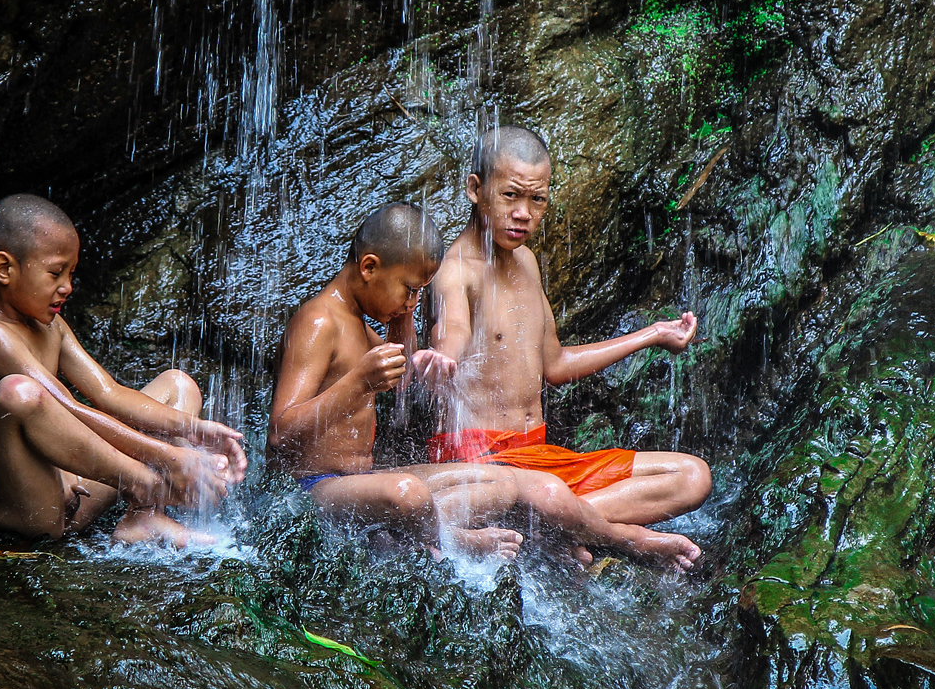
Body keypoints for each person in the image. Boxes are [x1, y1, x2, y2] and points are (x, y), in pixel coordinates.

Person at [270, 202, 701, 568]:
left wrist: (402, 319)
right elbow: (280, 434)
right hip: (316, 486)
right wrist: (359, 382)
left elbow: (399, 391)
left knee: (507, 484)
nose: (413, 301)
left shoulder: (362, 326)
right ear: (369, 267)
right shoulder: (320, 320)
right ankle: (451, 541)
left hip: (363, 481)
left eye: (421, 292)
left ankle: (608, 535)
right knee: (408, 493)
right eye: (408, 290)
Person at [429, 127, 713, 541]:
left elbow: (556, 365)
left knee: (693, 476)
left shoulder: (526, 261)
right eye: (511, 195)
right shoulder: (455, 270)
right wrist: (444, 356)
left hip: (541, 460)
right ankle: (569, 526)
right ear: (476, 189)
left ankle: (558, 526)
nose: (524, 213)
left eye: (537, 199)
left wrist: (652, 334)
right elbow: (452, 329)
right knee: (544, 493)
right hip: (483, 464)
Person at [0, 194, 246, 547]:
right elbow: (66, 407)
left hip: (81, 488)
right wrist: (167, 459)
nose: (68, 287)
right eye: (55, 272)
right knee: (20, 393)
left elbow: (109, 393)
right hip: (28, 510)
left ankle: (144, 518)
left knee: (177, 385)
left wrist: (195, 430)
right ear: (4, 269)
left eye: (71, 273)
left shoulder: (51, 326)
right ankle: (147, 488)